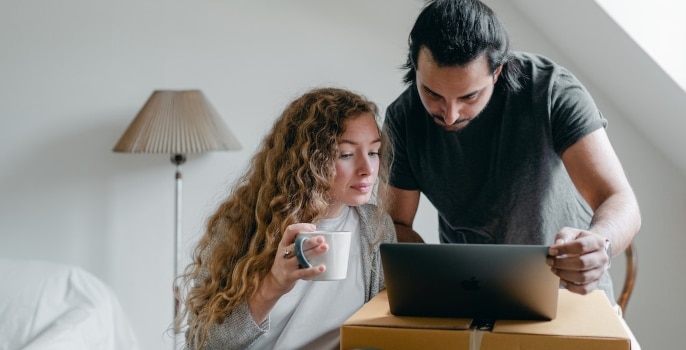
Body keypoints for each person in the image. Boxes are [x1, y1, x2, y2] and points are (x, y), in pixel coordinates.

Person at [384, 0, 641, 302]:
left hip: (571, 293)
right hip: (472, 298)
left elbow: (619, 199)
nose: (450, 114)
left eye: (469, 96)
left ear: (497, 72)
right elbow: (396, 226)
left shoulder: (550, 91)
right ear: (415, 67)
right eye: (432, 93)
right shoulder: (403, 119)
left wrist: (601, 244)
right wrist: (430, 272)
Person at [177, 87, 397, 350]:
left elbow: (382, 329)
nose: (367, 169)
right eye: (346, 154)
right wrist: (274, 283)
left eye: (373, 152)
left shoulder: (376, 226)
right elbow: (202, 343)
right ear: (310, 160)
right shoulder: (243, 225)